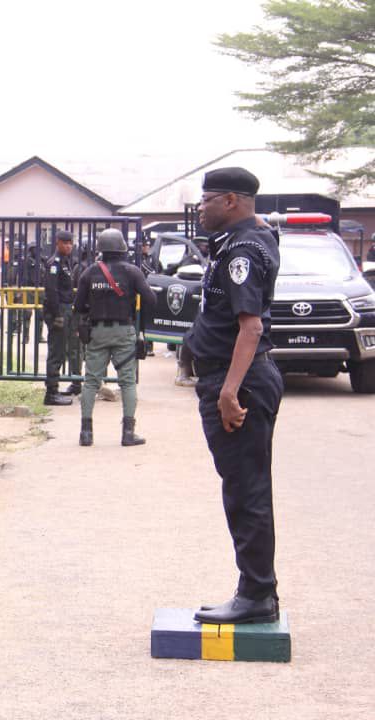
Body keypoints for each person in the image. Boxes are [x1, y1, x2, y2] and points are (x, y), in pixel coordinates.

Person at [187, 167, 283, 626]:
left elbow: (251, 326)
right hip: (237, 377)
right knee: (243, 487)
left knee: (247, 490)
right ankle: (255, 590)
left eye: (206, 201)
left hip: (238, 382)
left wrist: (227, 391)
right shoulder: (248, 237)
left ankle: (257, 596)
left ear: (230, 201)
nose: (200, 209)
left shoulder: (243, 249)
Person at [74, 228, 156, 446]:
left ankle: (86, 433)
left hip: (97, 333)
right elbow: (151, 300)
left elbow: (79, 306)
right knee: (127, 382)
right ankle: (128, 433)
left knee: (91, 382)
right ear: (122, 248)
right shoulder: (132, 272)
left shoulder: (89, 273)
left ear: (100, 249)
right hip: (123, 332)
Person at [43, 230, 81, 404]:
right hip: (58, 311)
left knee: (63, 349)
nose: (68, 246)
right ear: (57, 243)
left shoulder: (66, 262)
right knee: (56, 352)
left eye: (70, 243)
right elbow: (51, 292)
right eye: (65, 243)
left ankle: (56, 390)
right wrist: (57, 315)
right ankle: (51, 393)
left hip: (66, 309)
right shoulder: (54, 263)